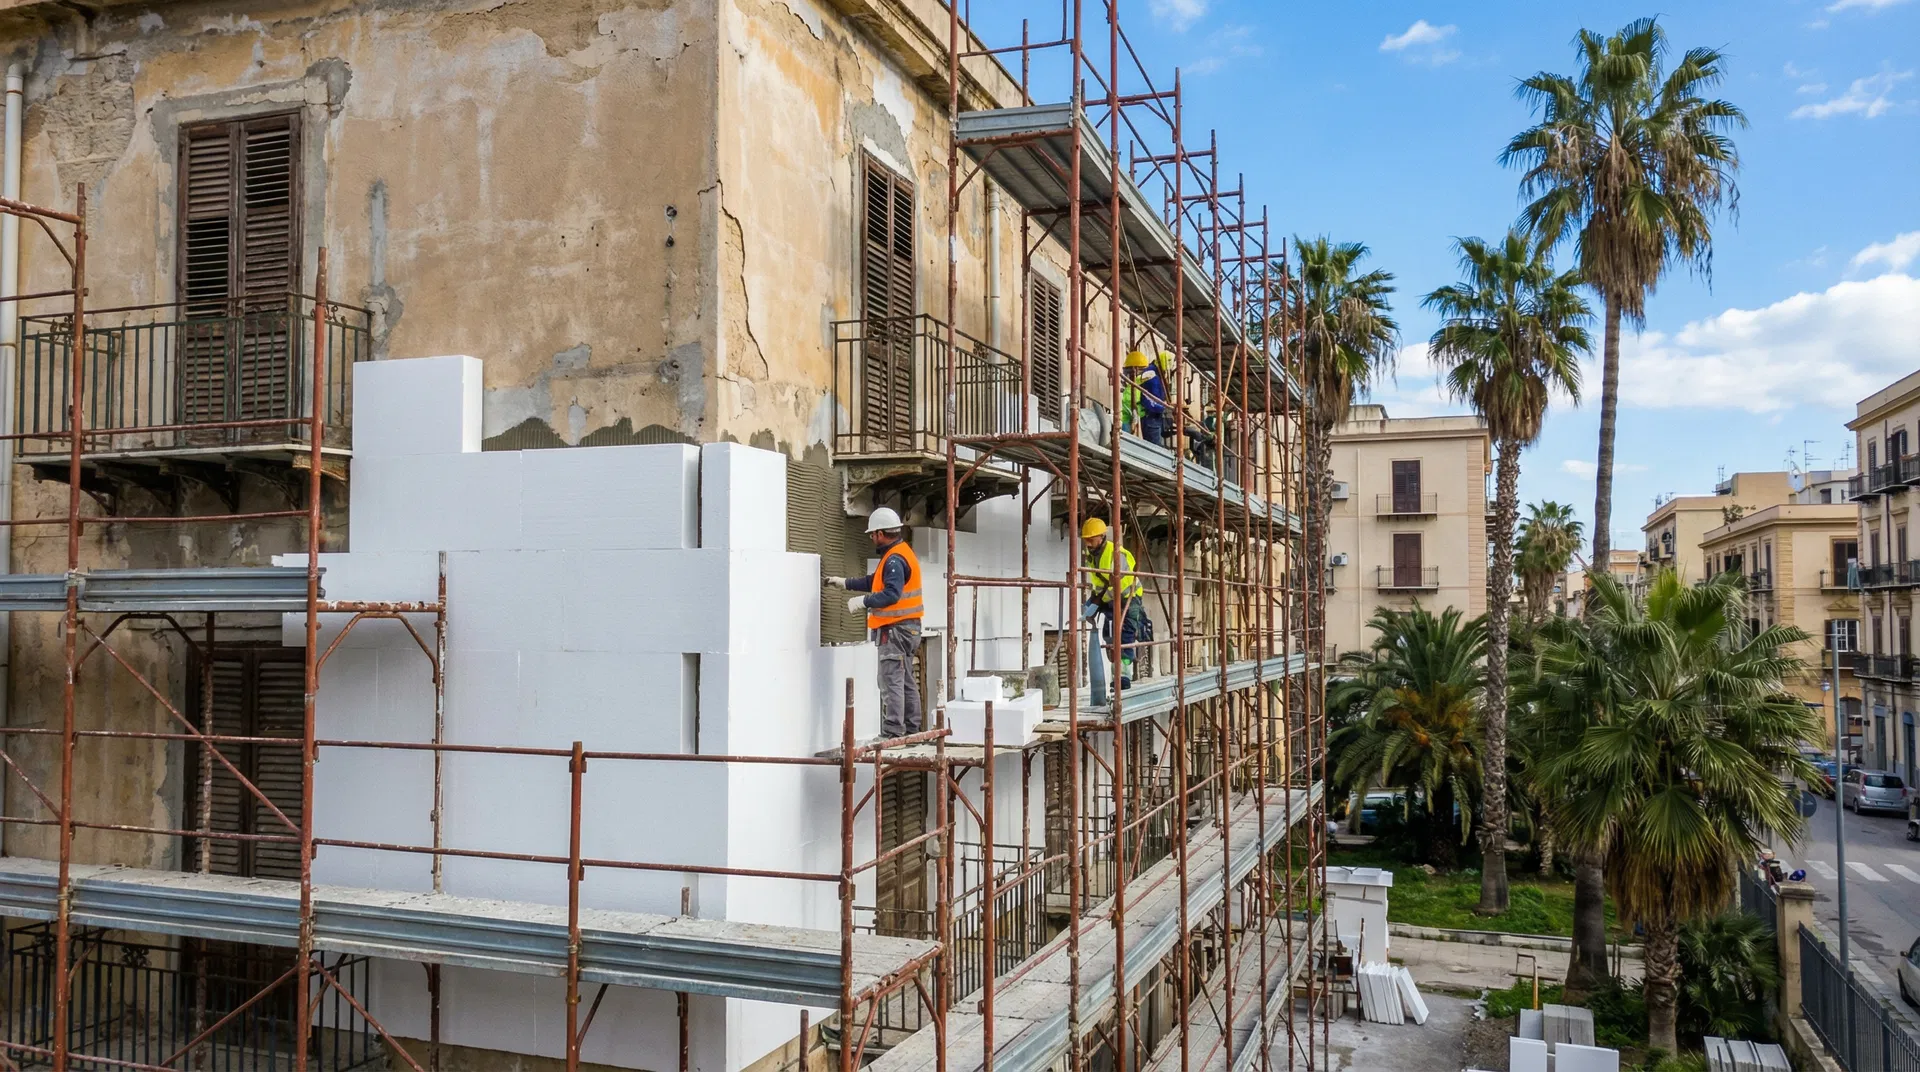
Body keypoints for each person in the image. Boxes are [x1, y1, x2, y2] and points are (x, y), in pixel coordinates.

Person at [825, 507, 922, 738]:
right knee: (906, 679)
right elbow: (875, 582)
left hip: (895, 629)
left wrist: (863, 602)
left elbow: (891, 594)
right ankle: (910, 729)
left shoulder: (894, 560)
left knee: (891, 680)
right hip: (908, 628)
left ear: (880, 533)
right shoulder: (899, 553)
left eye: (872, 534)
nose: (871, 538)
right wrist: (845, 583)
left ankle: (893, 732)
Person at [1079, 517, 1149, 691]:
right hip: (1107, 597)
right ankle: (1116, 672)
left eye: (1091, 538)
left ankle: (1123, 676)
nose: (1088, 543)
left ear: (1102, 536)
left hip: (1128, 597)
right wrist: (1092, 604)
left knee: (1124, 635)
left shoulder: (1118, 554)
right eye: (1086, 539)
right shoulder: (1092, 555)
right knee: (1109, 635)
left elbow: (1119, 584)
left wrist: (1098, 601)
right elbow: (1099, 583)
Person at [1119, 350, 1170, 447]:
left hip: (1143, 416)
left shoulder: (1136, 384)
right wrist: (1162, 408)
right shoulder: (1142, 381)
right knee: (1155, 447)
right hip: (1148, 416)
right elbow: (1145, 400)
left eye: (1128, 371)